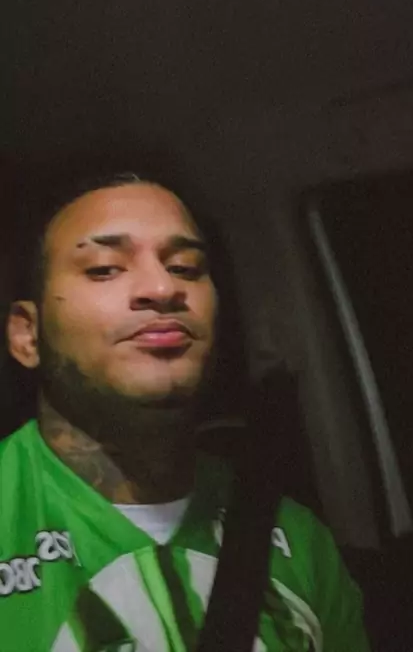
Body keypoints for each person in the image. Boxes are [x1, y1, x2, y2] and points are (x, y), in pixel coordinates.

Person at [0, 158, 371, 651]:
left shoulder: (299, 539)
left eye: (186, 268)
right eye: (104, 269)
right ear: (28, 336)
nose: (163, 289)